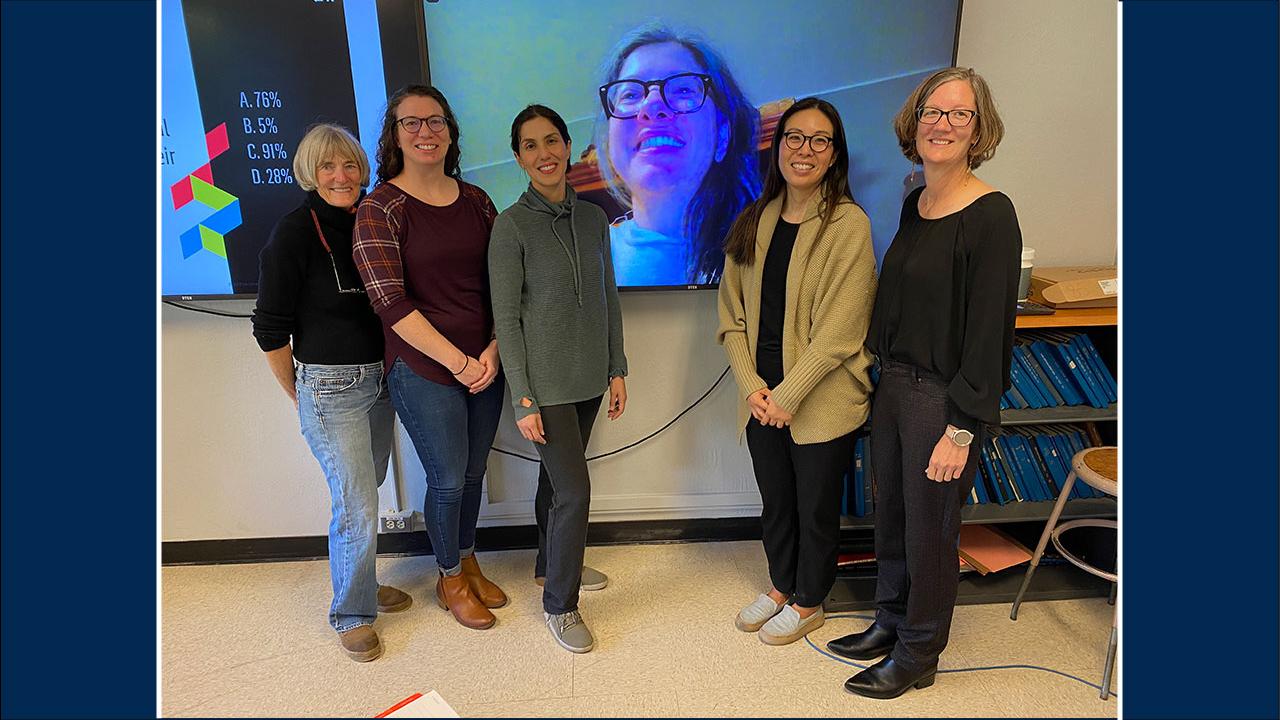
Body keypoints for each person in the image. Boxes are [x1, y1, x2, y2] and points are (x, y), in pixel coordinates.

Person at [830, 67, 1020, 700]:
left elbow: (990, 331)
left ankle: (920, 650)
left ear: (978, 128)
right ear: (915, 122)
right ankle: (890, 619)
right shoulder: (917, 202)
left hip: (943, 399)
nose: (942, 124)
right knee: (891, 515)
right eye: (932, 112)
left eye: (958, 114)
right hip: (894, 387)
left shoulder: (993, 215)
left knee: (930, 528)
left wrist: (961, 429)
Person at [717, 97, 877, 647]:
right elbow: (730, 317)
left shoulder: (848, 225)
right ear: (778, 145)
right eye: (794, 137)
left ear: (834, 155)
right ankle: (782, 586)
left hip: (821, 399)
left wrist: (789, 393)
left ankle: (811, 600)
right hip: (761, 396)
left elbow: (841, 331)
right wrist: (754, 388)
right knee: (776, 501)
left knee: (814, 508)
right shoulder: (753, 218)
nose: (804, 149)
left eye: (819, 140)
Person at [250, 123, 410, 662]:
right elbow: (270, 328)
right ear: (309, 173)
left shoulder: (373, 218)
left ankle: (359, 583)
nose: (341, 177)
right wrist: (300, 393)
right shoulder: (293, 233)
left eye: (349, 166)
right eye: (327, 167)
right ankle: (352, 613)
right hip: (330, 386)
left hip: (381, 380)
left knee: (371, 486)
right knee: (357, 504)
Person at [352, 85, 507, 631]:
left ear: (450, 132)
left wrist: (490, 351)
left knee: (473, 471)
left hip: (486, 361)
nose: (426, 132)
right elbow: (390, 304)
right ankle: (449, 577)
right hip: (422, 368)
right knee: (446, 480)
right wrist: (461, 364)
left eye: (436, 122)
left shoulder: (477, 200)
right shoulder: (379, 208)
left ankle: (468, 559)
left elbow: (501, 287)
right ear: (394, 135)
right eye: (412, 123)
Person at [489, 105, 628, 653]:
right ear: (518, 156)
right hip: (542, 387)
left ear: (568, 146)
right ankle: (561, 605)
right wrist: (522, 397)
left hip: (590, 377)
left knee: (556, 484)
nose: (543, 154)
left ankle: (551, 568)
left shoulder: (595, 219)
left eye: (552, 141)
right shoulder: (511, 225)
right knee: (575, 492)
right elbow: (506, 318)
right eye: (530, 145)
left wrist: (616, 367)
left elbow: (608, 298)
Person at [594, 23, 760, 286]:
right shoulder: (585, 263)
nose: (651, 105)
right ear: (610, 144)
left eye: (683, 89)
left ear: (722, 136)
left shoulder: (771, 249)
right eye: (631, 93)